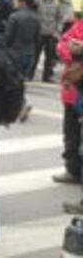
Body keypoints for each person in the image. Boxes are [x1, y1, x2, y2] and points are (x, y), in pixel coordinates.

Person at [55, 18, 83, 188]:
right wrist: (73, 52)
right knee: (71, 134)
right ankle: (73, 170)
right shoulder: (78, 25)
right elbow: (62, 45)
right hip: (73, 92)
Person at [4, 0, 41, 79]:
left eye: (16, 1)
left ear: (22, 3)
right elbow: (38, 38)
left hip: (15, 52)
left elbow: (8, 36)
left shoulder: (14, 17)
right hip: (30, 53)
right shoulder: (36, 17)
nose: (13, 2)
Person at [36, 0, 63, 82]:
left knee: (50, 57)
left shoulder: (56, 3)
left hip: (51, 33)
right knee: (35, 54)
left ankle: (46, 76)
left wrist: (57, 31)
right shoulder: (37, 2)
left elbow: (60, 19)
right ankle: (29, 74)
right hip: (39, 33)